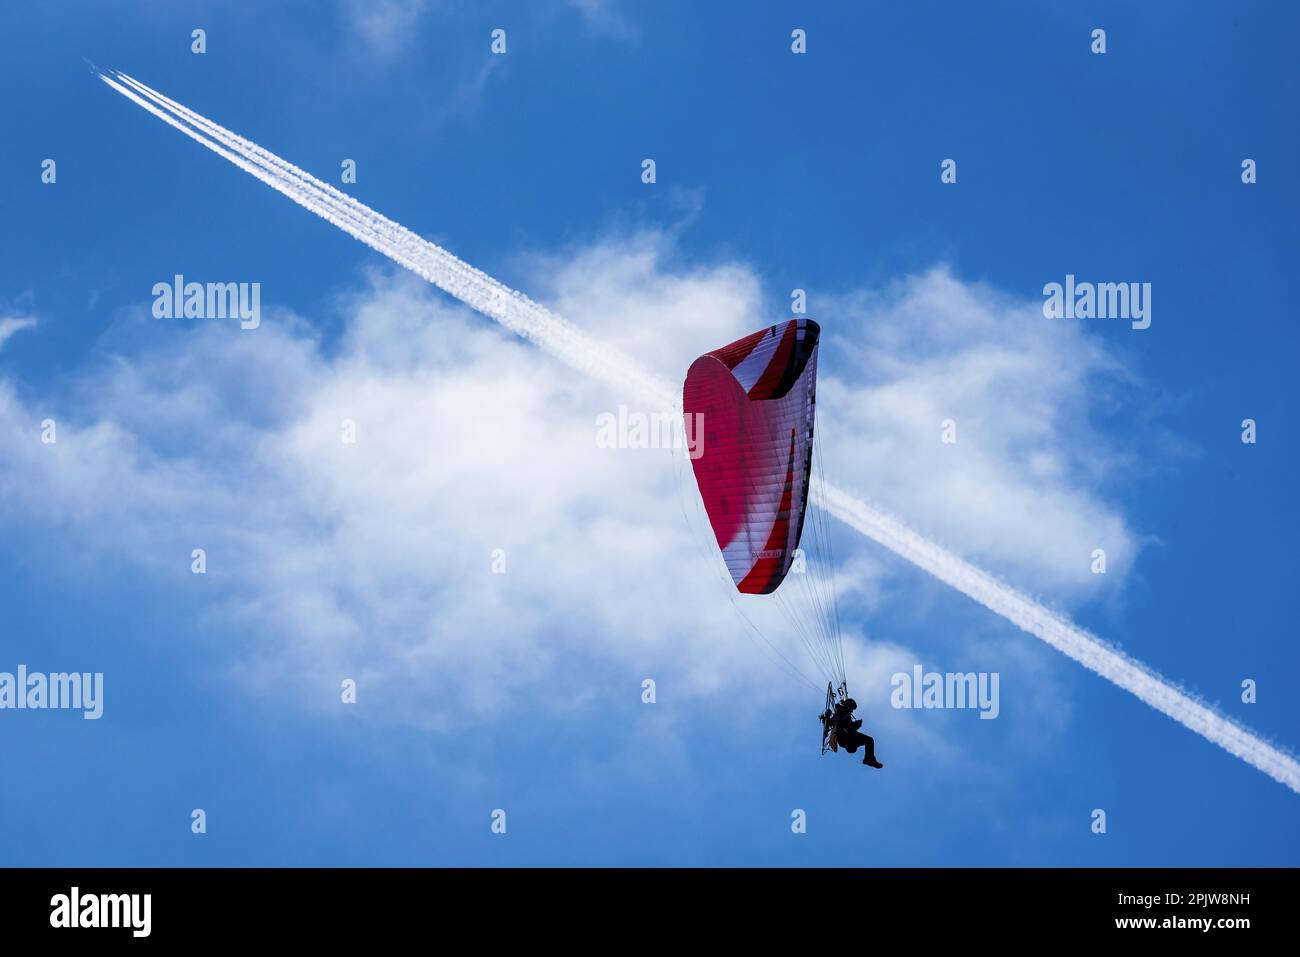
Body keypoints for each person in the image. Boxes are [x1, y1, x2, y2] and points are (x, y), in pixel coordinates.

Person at [831, 698, 883, 768]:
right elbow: (841, 719)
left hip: (847, 738)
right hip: (844, 736)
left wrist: (857, 724)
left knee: (869, 740)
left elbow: (849, 726)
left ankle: (869, 759)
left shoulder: (846, 713)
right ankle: (869, 759)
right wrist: (856, 724)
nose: (852, 711)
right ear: (849, 706)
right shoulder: (841, 710)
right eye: (852, 709)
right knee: (868, 740)